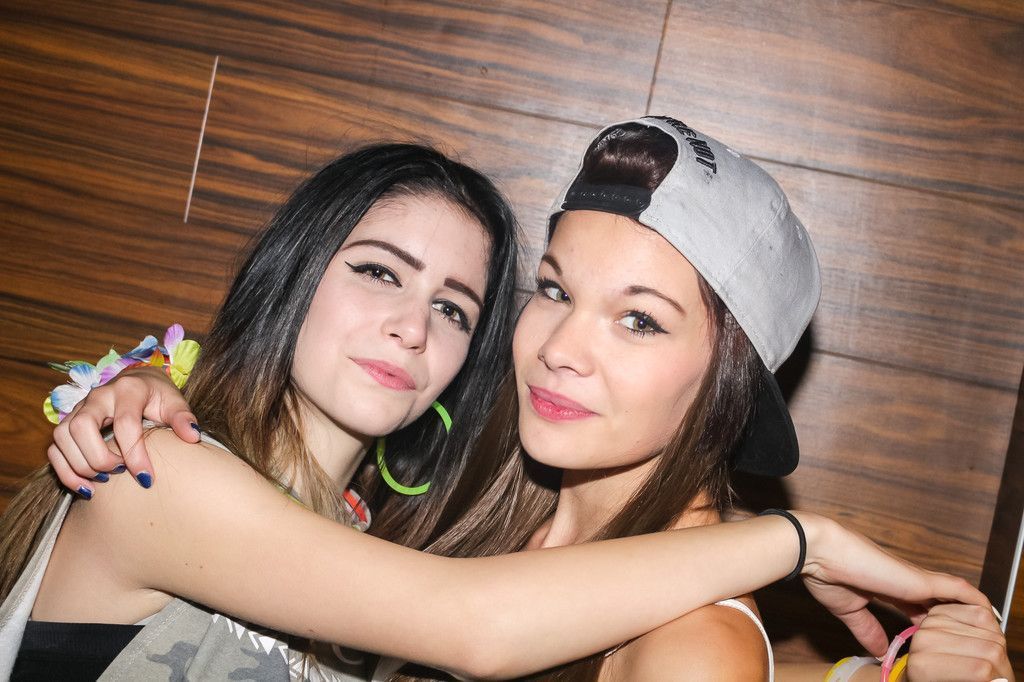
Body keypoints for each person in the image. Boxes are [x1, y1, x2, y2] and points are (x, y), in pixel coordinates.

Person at [20, 136, 1002, 681]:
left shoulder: (379, 524)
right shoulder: (152, 463)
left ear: (726, 385)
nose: (412, 327)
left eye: (640, 320)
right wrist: (800, 539)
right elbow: (471, 623)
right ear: (292, 269)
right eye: (554, 290)